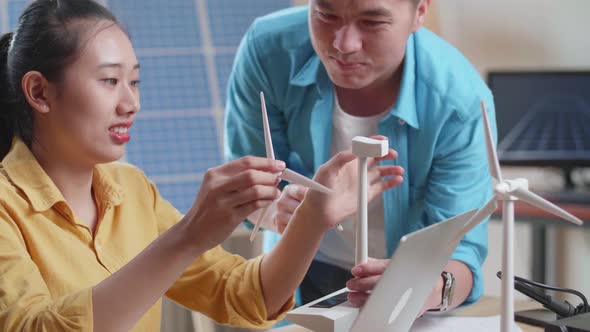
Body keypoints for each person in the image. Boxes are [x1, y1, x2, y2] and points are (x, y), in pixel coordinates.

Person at [0, 0, 404, 331]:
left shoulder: (132, 189)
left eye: (134, 82)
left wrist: (313, 217)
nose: (131, 104)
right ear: (39, 91)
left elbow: (246, 296)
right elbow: (31, 326)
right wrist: (188, 235)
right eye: (109, 81)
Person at [225, 0, 497, 313]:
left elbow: (462, 254)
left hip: (403, 278)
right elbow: (248, 183)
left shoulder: (460, 103)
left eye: (372, 21)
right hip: (297, 270)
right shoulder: (268, 50)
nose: (344, 45)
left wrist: (428, 289)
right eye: (326, 15)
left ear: (420, 11)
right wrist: (274, 211)